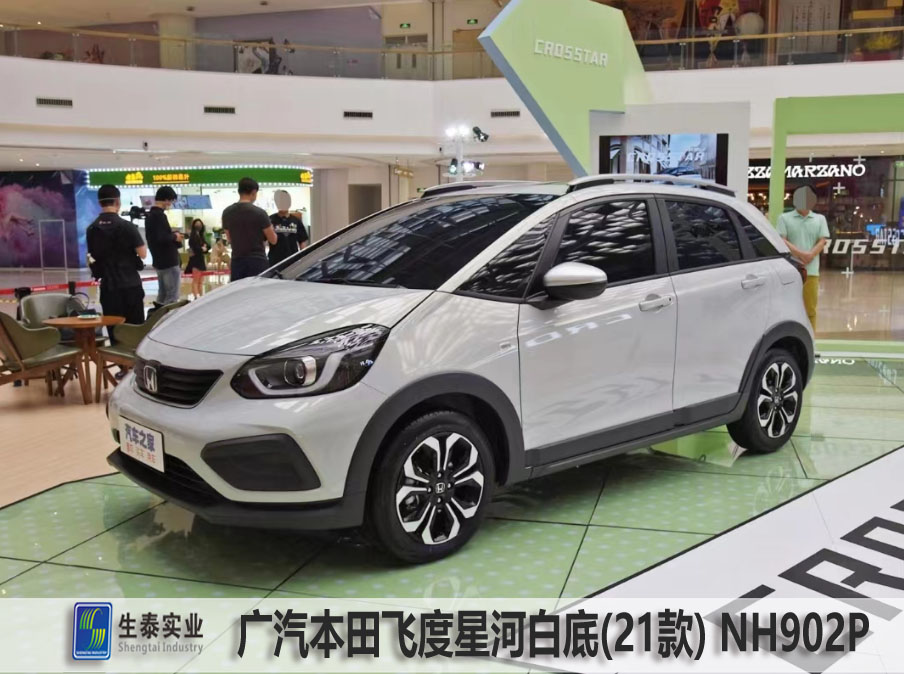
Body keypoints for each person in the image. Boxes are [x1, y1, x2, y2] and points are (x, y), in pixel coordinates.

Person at [86, 185, 147, 343]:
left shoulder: (92, 229)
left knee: (114, 332)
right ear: (118, 202)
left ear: (99, 203)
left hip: (108, 287)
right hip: (130, 285)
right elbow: (143, 254)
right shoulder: (127, 226)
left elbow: (92, 256)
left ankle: (117, 357)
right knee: (135, 331)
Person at [777, 185, 830, 329]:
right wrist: (802, 255)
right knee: (789, 310)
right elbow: (782, 240)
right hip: (790, 272)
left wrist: (811, 255)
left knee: (810, 311)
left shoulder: (820, 219)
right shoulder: (784, 218)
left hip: (811, 272)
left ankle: (811, 340)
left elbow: (822, 240)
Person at [222, 177, 277, 282]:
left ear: (239, 191)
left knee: (239, 291)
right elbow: (273, 240)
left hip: (237, 261)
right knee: (258, 291)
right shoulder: (260, 213)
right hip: (257, 262)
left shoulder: (227, 212)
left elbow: (229, 238)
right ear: (254, 192)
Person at [144, 186, 184, 308]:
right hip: (168, 261)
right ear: (166, 200)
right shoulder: (159, 216)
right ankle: (168, 318)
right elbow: (161, 237)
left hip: (159, 260)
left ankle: (158, 316)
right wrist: (175, 236)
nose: (170, 204)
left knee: (162, 295)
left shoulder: (150, 215)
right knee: (172, 297)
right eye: (171, 201)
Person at [268, 189, 309, 266]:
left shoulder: (296, 221)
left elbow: (302, 242)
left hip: (293, 260)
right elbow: (263, 241)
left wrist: (303, 259)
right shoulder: (270, 220)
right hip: (274, 261)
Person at [185, 218, 208, 299]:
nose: (199, 226)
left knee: (201, 281)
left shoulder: (201, 236)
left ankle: (200, 296)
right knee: (196, 280)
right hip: (195, 260)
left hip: (201, 259)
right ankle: (196, 296)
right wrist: (202, 249)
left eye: (200, 224)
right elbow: (194, 248)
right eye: (197, 224)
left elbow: (207, 246)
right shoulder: (193, 237)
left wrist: (205, 248)